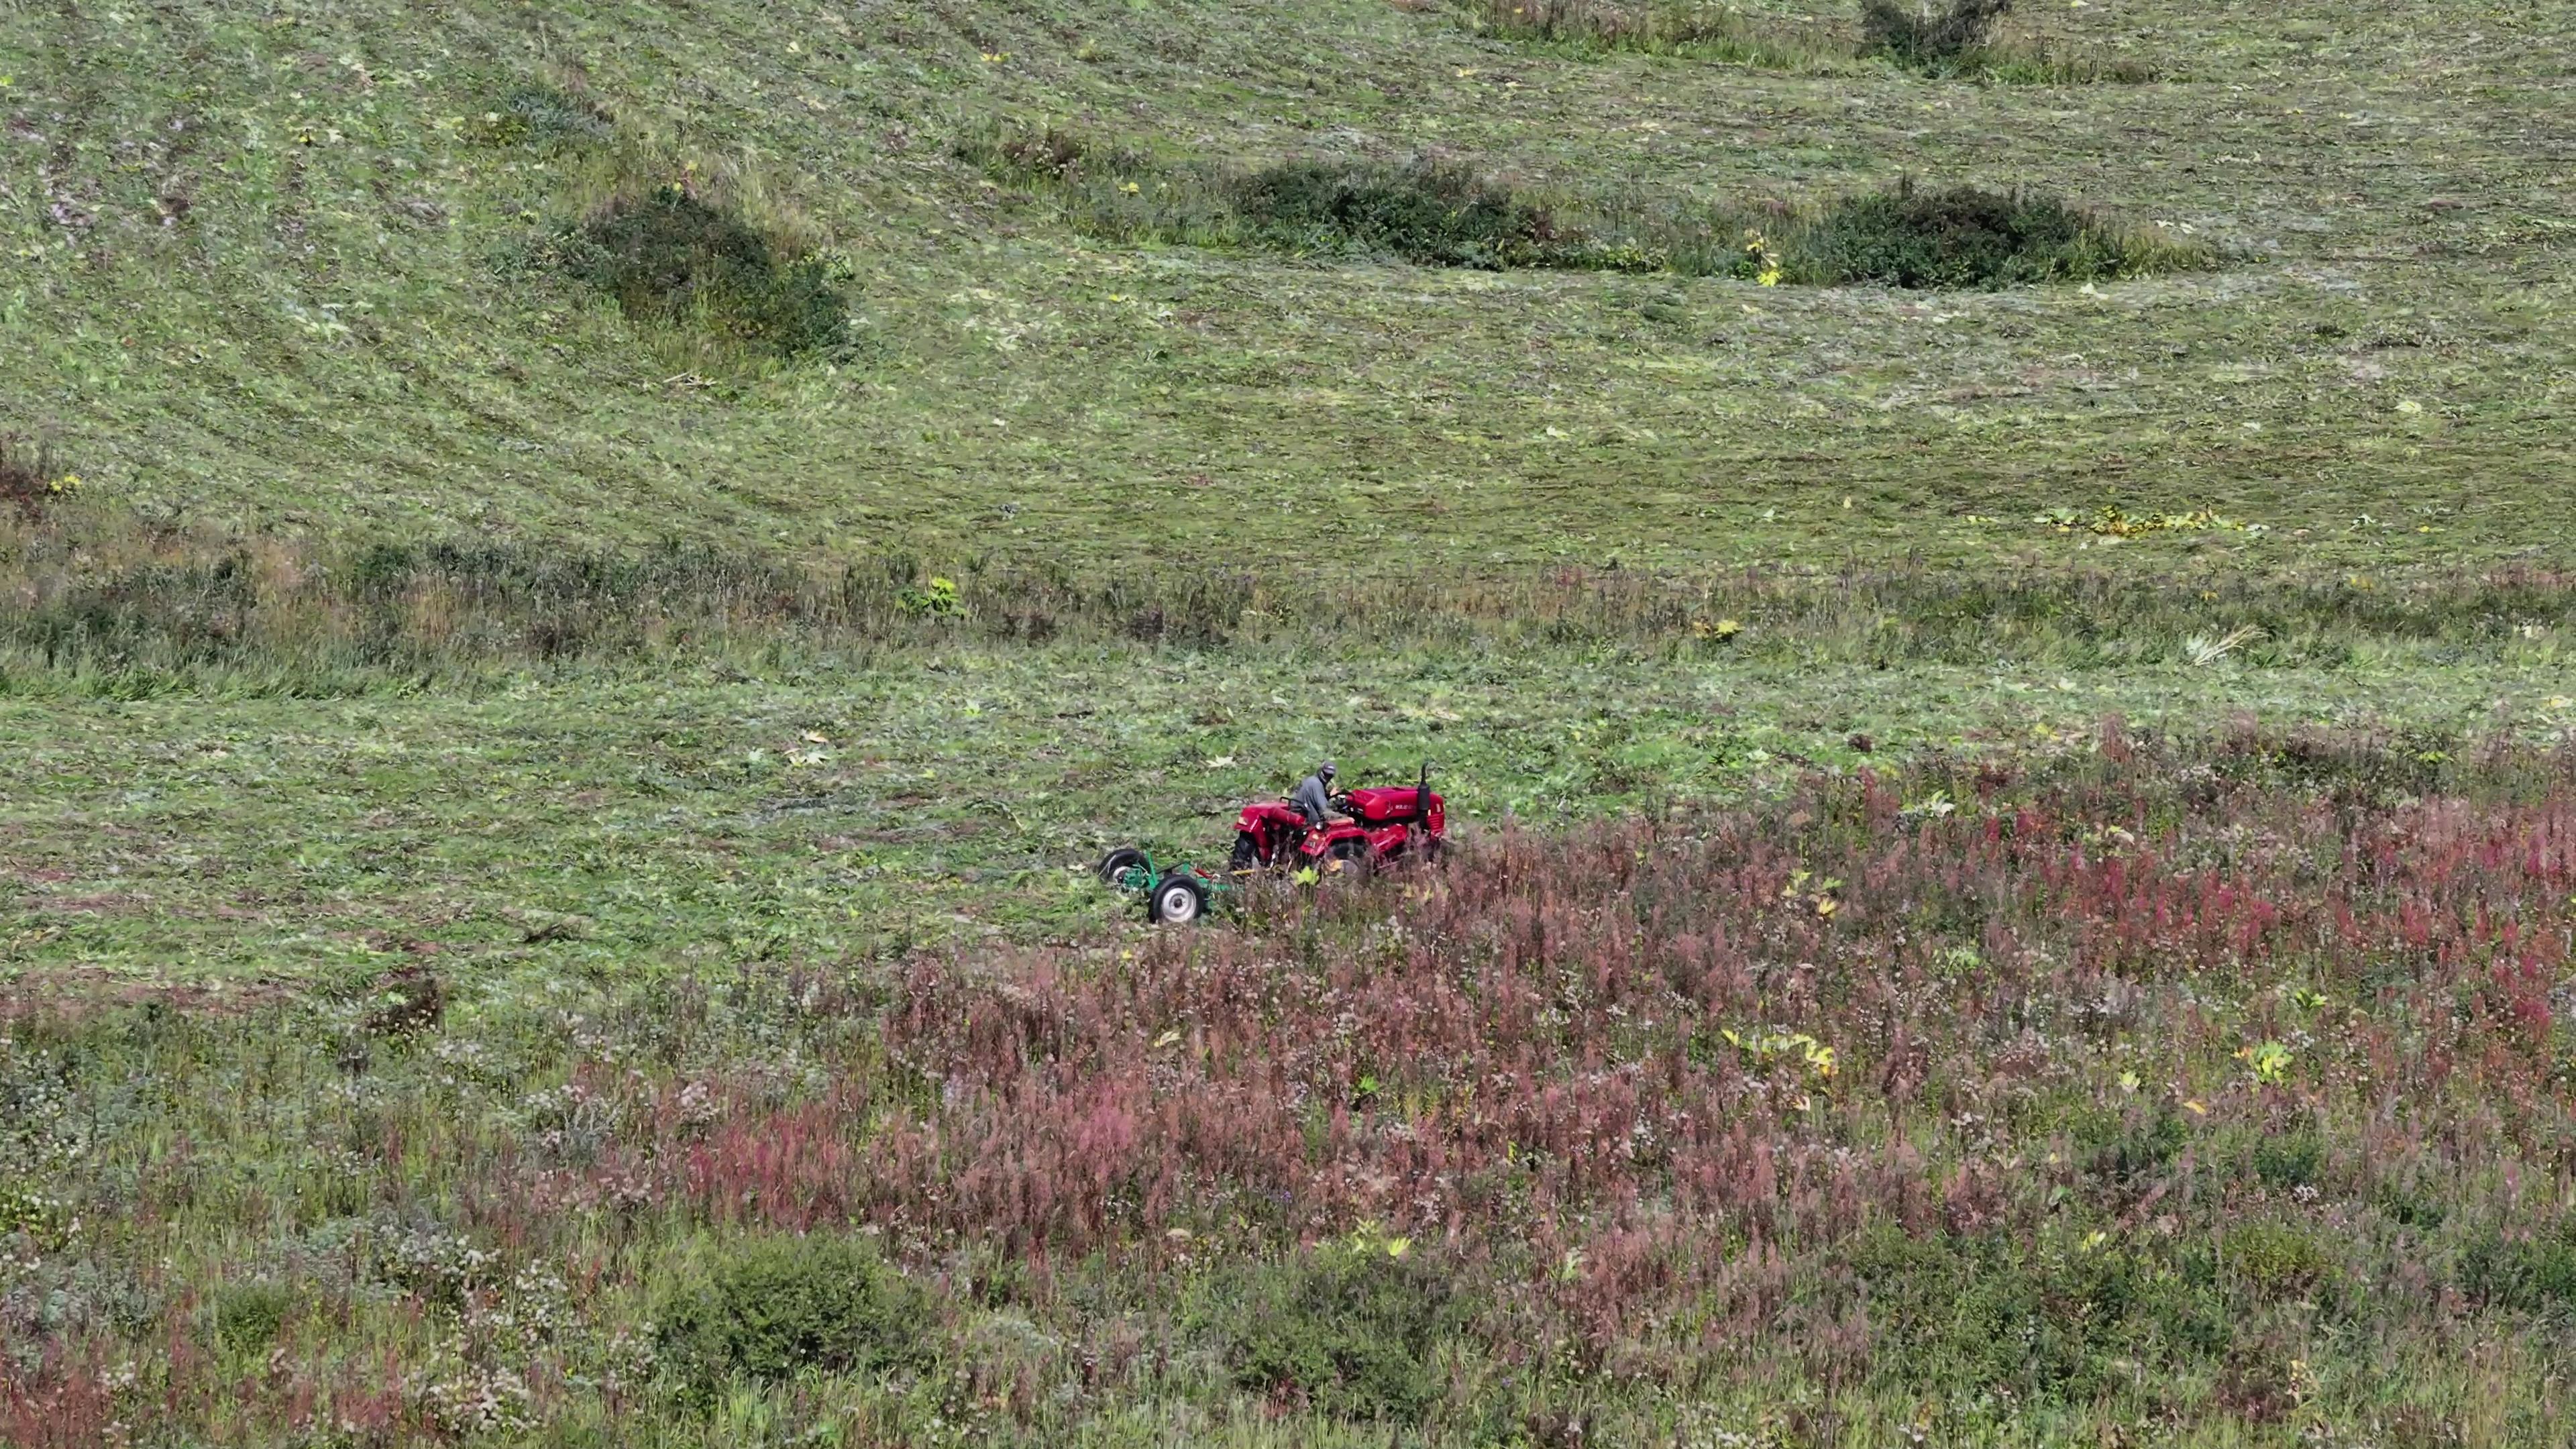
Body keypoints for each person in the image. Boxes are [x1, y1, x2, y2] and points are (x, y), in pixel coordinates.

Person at [1290, 759, 1346, 832]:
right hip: (1306, 818)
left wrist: (1329, 795)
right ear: (1321, 771)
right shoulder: (1317, 784)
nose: (1327, 778)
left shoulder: (1311, 780)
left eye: (1330, 776)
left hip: (1300, 810)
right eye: (1326, 775)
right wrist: (1342, 818)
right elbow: (1325, 811)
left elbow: (1316, 798)